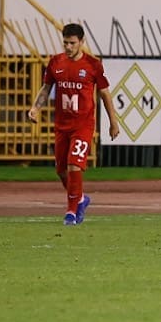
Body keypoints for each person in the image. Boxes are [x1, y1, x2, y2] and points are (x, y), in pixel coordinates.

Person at [27, 22, 121, 225]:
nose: (68, 47)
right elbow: (46, 88)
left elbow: (104, 94)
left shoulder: (93, 65)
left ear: (81, 42)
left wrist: (113, 122)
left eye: (72, 43)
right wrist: (36, 108)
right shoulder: (55, 63)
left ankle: (71, 212)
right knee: (61, 171)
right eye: (65, 43)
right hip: (62, 125)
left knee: (73, 165)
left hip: (83, 125)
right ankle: (80, 199)